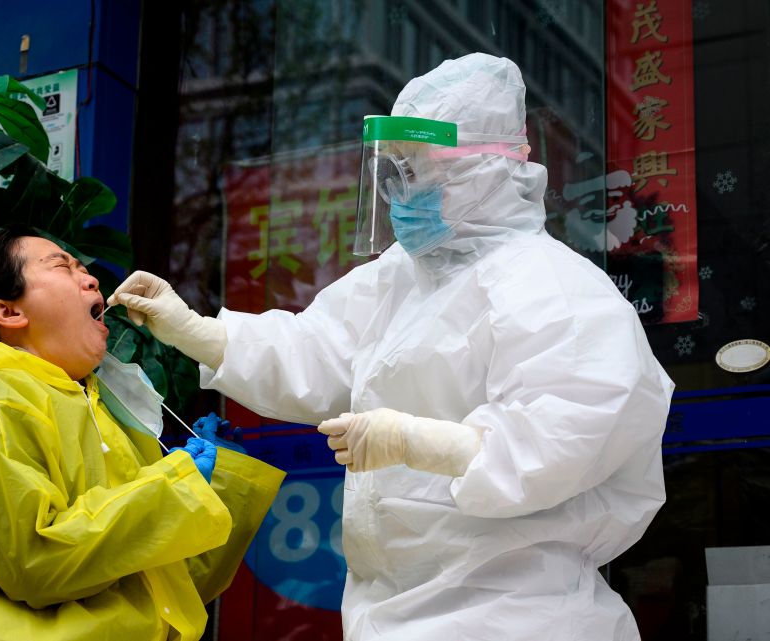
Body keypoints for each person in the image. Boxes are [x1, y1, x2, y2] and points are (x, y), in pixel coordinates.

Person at [107, 53, 674, 640]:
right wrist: (195, 331)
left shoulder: (556, 289)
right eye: (394, 168)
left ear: (487, 167)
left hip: (518, 614)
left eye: (418, 169)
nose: (401, 190)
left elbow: (561, 438)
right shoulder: (401, 277)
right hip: (389, 610)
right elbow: (313, 351)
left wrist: (416, 441)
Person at [0, 226, 284, 641]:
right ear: (10, 313)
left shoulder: (102, 409)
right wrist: (175, 488)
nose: (91, 278)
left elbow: (167, 594)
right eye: (62, 266)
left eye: (83, 267)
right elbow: (36, 565)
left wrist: (220, 484)